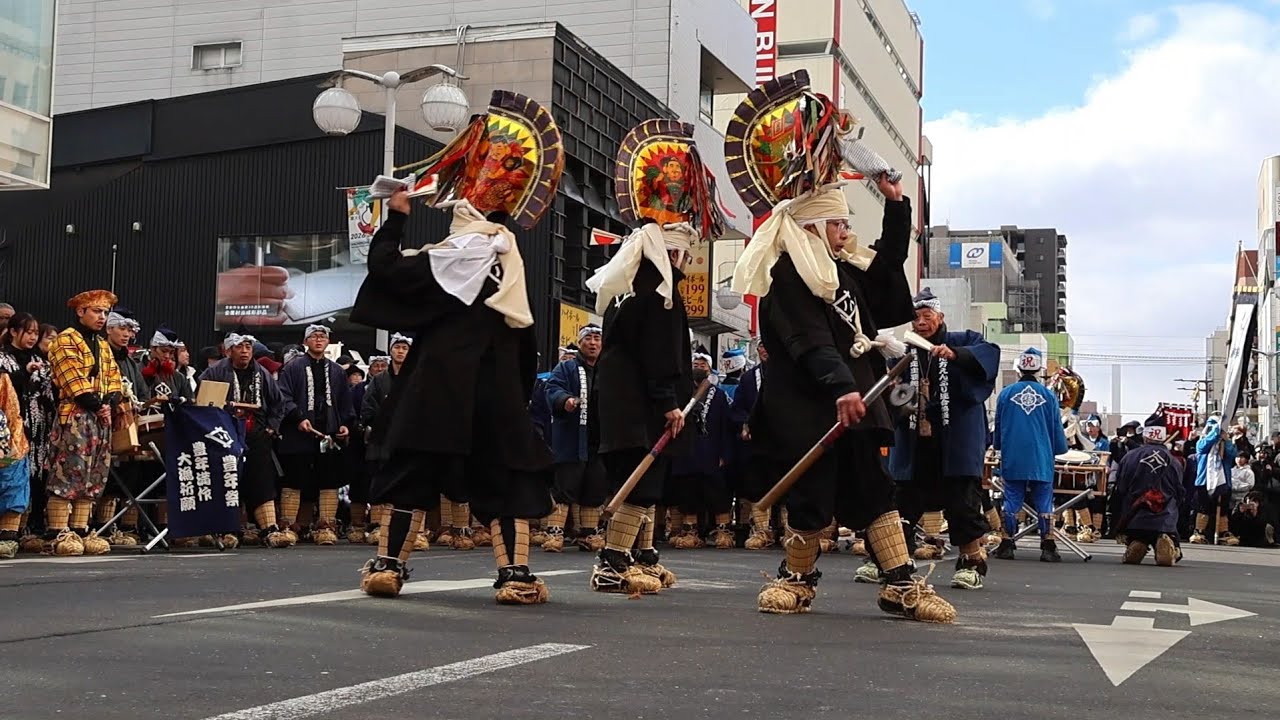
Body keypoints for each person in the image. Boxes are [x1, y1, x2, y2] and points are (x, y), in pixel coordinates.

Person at [727, 73, 954, 621]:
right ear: (811, 224)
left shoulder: (844, 272)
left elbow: (888, 275)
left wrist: (895, 205)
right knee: (812, 494)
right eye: (837, 222)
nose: (845, 232)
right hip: (808, 403)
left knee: (874, 492)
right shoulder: (789, 274)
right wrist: (838, 389)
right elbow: (807, 342)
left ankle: (900, 583)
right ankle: (796, 577)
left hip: (854, 397)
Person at [349, 89, 564, 603]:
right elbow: (523, 331)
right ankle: (514, 573)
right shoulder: (504, 251)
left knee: (413, 467)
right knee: (505, 472)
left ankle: (388, 566)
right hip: (495, 387)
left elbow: (388, 271)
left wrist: (397, 214)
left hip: (441, 382)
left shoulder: (460, 251)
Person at [584, 119, 714, 595]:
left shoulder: (625, 288)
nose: (685, 262)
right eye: (683, 254)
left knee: (636, 479)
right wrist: (669, 402)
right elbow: (660, 355)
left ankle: (641, 555)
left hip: (618, 406)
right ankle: (613, 562)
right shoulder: (659, 292)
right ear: (672, 256)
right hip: (640, 408)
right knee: (641, 484)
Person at [887, 287, 1000, 590]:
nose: (921, 322)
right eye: (916, 318)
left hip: (955, 439)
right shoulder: (905, 351)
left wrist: (956, 356)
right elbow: (895, 398)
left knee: (961, 502)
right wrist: (895, 386)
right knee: (902, 500)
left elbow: (988, 357)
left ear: (940, 317)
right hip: (915, 439)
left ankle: (972, 562)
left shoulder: (964, 340)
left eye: (927, 316)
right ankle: (893, 563)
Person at [45, 290, 125, 556]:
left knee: (95, 475)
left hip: (100, 418)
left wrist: (110, 401)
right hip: (76, 415)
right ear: (81, 312)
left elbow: (115, 378)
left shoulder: (102, 345)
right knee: (69, 471)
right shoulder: (66, 339)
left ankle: (80, 530)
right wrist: (98, 404)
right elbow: (71, 379)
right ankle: (59, 532)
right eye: (96, 312)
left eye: (104, 313)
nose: (102, 317)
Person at [199, 333, 293, 547]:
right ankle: (227, 529)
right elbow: (203, 402)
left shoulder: (262, 373)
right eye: (239, 347)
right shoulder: (215, 372)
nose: (244, 351)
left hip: (257, 434)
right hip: (224, 435)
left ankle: (270, 529)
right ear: (228, 350)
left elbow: (278, 403)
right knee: (228, 480)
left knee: (262, 480)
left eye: (248, 347)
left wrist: (272, 427)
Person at [275, 324, 355, 546]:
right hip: (299, 433)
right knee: (294, 479)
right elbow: (284, 397)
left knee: (329, 480)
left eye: (322, 337)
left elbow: (345, 403)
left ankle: (326, 526)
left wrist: (345, 425)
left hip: (327, 434)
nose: (318, 340)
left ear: (328, 342)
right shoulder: (292, 368)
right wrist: (298, 418)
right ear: (305, 341)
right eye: (314, 337)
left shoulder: (337, 371)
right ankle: (289, 526)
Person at [992, 348, 1068, 562]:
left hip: (1013, 454)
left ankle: (1007, 543)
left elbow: (998, 426)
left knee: (1012, 498)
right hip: (1042, 455)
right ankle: (1047, 545)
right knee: (1044, 499)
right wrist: (1061, 449)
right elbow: (1056, 428)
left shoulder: (1006, 394)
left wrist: (998, 445)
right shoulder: (1048, 395)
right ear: (1038, 369)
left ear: (1018, 368)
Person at [541, 324, 607, 553]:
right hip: (571, 437)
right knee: (564, 487)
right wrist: (565, 400)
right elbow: (553, 389)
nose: (593, 343)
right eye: (588, 338)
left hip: (599, 440)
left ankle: (588, 534)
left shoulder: (607, 368)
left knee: (594, 487)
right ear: (580, 343)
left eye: (597, 338)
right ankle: (554, 534)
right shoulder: (566, 368)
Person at [669, 351, 735, 550]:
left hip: (711, 450)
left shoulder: (719, 394)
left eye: (702, 364)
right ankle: (691, 532)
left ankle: (722, 531)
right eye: (695, 364)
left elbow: (726, 426)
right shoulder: (681, 392)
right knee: (688, 491)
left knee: (717, 492)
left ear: (709, 369)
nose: (698, 367)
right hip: (687, 451)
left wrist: (725, 452)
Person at [0, 313, 55, 549]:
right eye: (28, 332)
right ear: (13, 331)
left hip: (37, 427)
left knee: (35, 476)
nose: (33, 337)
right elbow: (5, 389)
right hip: (8, 427)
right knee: (9, 475)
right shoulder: (3, 358)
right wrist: (24, 373)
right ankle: (8, 529)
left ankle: (27, 528)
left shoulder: (39, 360)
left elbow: (49, 395)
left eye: (35, 333)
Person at [361, 333, 413, 546]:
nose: (400, 351)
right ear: (391, 351)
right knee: (382, 482)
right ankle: (378, 527)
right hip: (383, 440)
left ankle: (413, 531)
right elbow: (367, 409)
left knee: (409, 484)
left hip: (409, 439)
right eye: (397, 347)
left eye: (404, 348)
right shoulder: (378, 380)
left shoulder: (416, 377)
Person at [1110, 416, 1183, 566]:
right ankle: (1168, 543)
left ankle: (1137, 541)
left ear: (1145, 435)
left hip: (1136, 515)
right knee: (1172, 503)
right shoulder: (1174, 461)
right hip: (1165, 516)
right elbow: (1179, 492)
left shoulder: (1129, 457)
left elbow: (1121, 487)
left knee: (1132, 511)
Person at [732, 341, 772, 550]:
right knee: (757, 485)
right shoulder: (748, 378)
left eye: (768, 346)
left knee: (785, 486)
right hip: (756, 441)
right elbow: (737, 408)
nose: (765, 350)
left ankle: (788, 530)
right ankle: (762, 530)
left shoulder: (787, 374)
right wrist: (745, 423)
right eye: (761, 347)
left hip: (781, 439)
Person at [1191, 414, 1236, 545]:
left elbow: (1233, 454)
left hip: (1223, 480)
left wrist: (1226, 440)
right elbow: (1202, 447)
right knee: (1203, 507)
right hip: (1205, 480)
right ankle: (1199, 531)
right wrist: (1216, 431)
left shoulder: (1226, 444)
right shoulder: (1202, 441)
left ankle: (1223, 532)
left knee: (1222, 508)